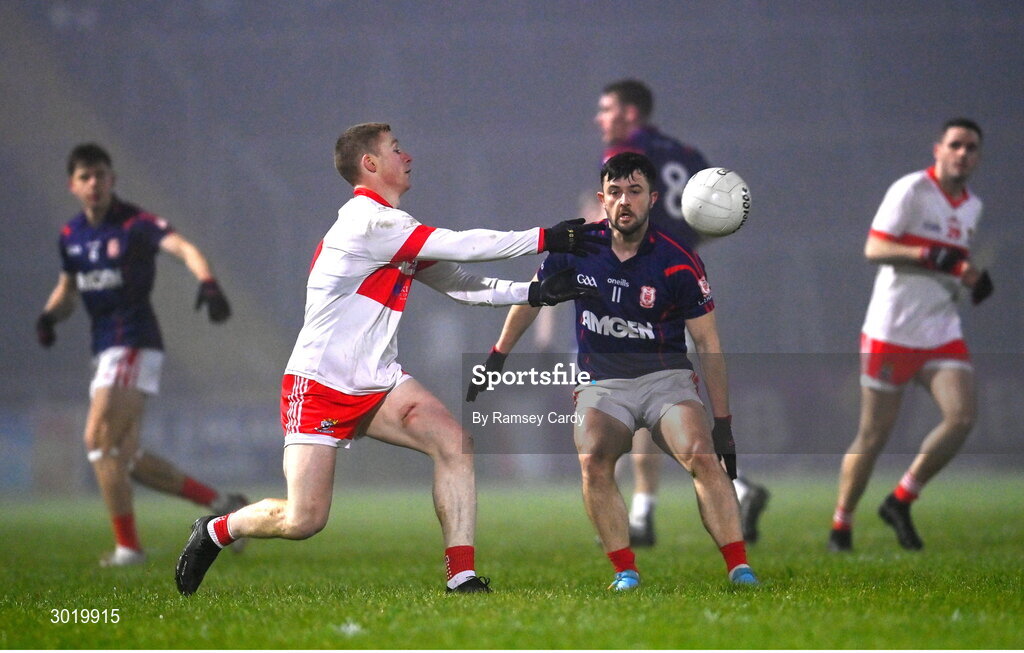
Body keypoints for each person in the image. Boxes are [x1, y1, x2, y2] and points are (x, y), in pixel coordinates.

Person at [174, 122, 601, 596]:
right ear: (370, 164)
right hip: (319, 384)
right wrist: (545, 238)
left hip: (378, 380)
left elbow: (459, 282)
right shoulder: (369, 222)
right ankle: (215, 530)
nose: (409, 157)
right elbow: (464, 244)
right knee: (304, 518)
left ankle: (461, 576)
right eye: (396, 150)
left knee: (454, 443)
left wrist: (535, 291)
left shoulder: (395, 230)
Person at [469, 152, 759, 590]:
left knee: (701, 454)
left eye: (635, 192)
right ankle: (626, 571)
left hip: (666, 380)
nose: (625, 201)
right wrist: (498, 355)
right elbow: (532, 298)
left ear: (652, 200)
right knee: (594, 460)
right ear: (603, 200)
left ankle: (740, 568)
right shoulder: (578, 247)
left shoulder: (679, 261)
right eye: (616, 193)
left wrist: (724, 425)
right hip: (602, 383)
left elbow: (708, 344)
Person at [36, 143, 249, 567]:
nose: (94, 183)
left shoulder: (136, 223)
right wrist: (48, 317)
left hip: (133, 341)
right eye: (85, 177)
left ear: (112, 179)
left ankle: (128, 549)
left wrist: (208, 283)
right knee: (127, 458)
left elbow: (185, 248)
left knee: (98, 440)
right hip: (105, 349)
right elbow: (68, 288)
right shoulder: (71, 236)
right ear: (73, 185)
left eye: (100, 174)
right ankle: (224, 503)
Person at [594, 78, 769, 546]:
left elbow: (614, 224)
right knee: (645, 402)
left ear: (631, 114)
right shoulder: (688, 154)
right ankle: (645, 513)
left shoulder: (624, 156)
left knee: (642, 400)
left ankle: (733, 488)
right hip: (679, 285)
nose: (601, 118)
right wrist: (684, 248)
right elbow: (719, 212)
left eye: (607, 109)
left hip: (644, 294)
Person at [829, 118, 993, 552]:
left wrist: (971, 278)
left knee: (961, 418)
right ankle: (841, 524)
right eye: (955, 145)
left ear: (978, 157)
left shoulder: (972, 206)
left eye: (971, 148)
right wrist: (927, 253)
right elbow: (875, 248)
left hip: (940, 328)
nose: (963, 154)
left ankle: (901, 498)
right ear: (937, 149)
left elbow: (952, 261)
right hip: (892, 329)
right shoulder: (911, 191)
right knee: (874, 435)